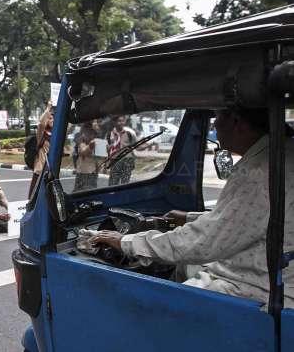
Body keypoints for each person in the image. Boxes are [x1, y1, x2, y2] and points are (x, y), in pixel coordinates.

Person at [91, 109, 294, 306]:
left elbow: (204, 242)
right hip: (267, 271)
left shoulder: (259, 171)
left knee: (155, 307)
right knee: (186, 265)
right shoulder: (282, 154)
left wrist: (127, 242)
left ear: (236, 122)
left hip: (262, 288)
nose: (214, 124)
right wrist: (189, 218)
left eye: (218, 116)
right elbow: (243, 220)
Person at [29, 102, 54, 198]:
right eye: (50, 118)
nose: (52, 120)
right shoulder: (42, 134)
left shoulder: (55, 133)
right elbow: (41, 123)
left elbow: (68, 127)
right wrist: (48, 109)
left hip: (51, 170)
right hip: (41, 169)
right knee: (35, 196)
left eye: (53, 118)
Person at [106, 115, 137, 186]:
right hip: (115, 160)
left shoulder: (129, 133)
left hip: (127, 160)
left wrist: (149, 145)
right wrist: (107, 162)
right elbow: (107, 149)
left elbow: (135, 146)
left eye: (122, 121)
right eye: (118, 121)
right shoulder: (110, 134)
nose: (120, 123)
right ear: (114, 122)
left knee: (125, 183)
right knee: (113, 184)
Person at [73, 120, 101, 192]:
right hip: (82, 172)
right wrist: (90, 146)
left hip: (92, 172)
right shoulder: (79, 137)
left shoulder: (96, 137)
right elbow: (83, 151)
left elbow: (100, 156)